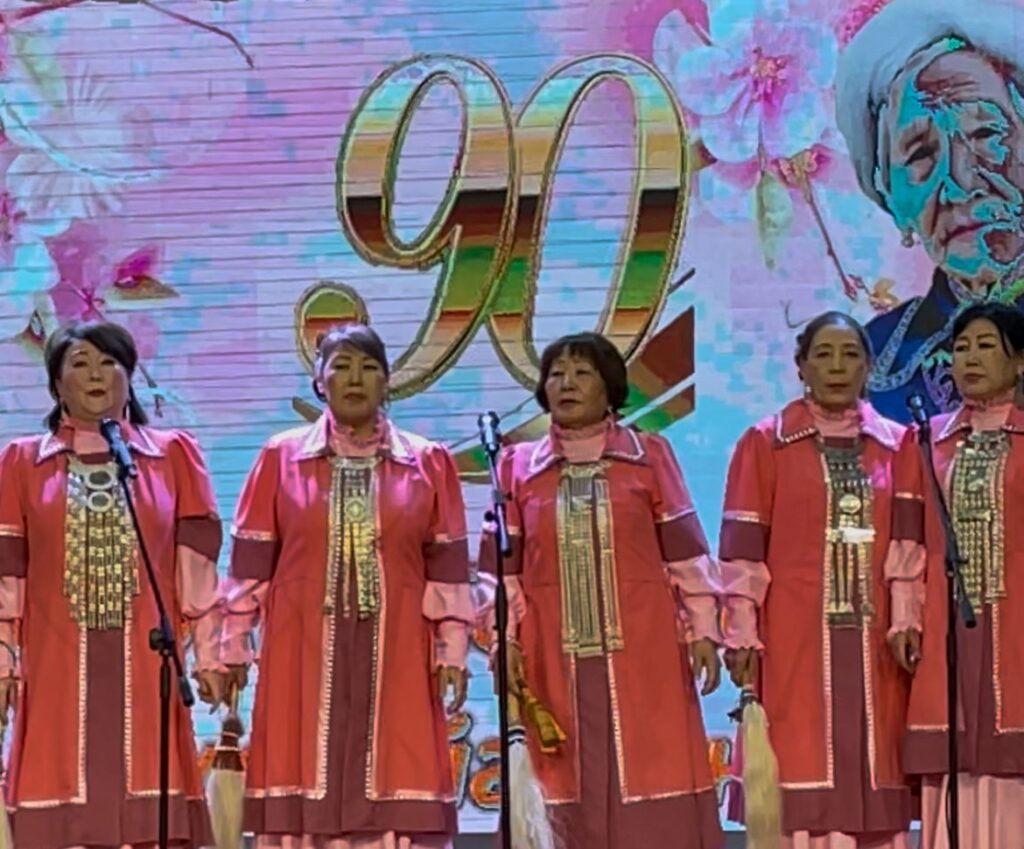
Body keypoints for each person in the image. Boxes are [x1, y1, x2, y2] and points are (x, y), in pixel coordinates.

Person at [221, 323, 473, 849]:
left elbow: (447, 568)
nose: (355, 378)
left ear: (388, 381)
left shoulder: (427, 461)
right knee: (303, 765)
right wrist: (233, 645)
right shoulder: (281, 457)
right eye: (341, 366)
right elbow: (251, 566)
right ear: (319, 381)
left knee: (398, 768)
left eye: (369, 367)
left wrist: (451, 649)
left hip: (400, 650)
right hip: (300, 649)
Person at [477, 330, 724, 849]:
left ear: (610, 387)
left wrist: (703, 629)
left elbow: (684, 555)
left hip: (645, 655)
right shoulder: (516, 468)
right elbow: (500, 576)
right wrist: (505, 641)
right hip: (551, 660)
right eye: (556, 374)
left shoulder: (649, 456)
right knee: (564, 788)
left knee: (651, 775)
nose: (566, 384)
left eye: (582, 373)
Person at [0, 320, 224, 848]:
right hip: (55, 669)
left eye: (109, 363)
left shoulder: (172, 456)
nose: (96, 375)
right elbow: (7, 576)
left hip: (148, 668)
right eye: (80, 364)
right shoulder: (21, 464)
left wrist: (212, 655)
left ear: (130, 376)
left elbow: (196, 573)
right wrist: (4, 660)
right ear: (57, 385)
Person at [719, 311, 925, 849]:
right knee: (799, 770)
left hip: (878, 645)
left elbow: (908, 548)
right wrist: (741, 632)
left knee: (875, 769)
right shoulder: (766, 443)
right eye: (823, 355)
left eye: (850, 355)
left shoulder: (900, 445)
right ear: (801, 366)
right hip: (793, 640)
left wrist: (906, 621)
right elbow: (742, 552)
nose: (837, 367)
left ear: (868, 367)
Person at [834, 0, 1024, 421]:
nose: (959, 183)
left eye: (985, 133)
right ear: (890, 196)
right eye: (920, 155)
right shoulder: (872, 360)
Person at [900, 301, 1024, 848]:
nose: (970, 358)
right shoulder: (927, 441)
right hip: (945, 628)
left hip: (1017, 625)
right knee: (954, 753)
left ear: (1019, 361)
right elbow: (908, 541)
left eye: (986, 346)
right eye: (962, 347)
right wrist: (905, 619)